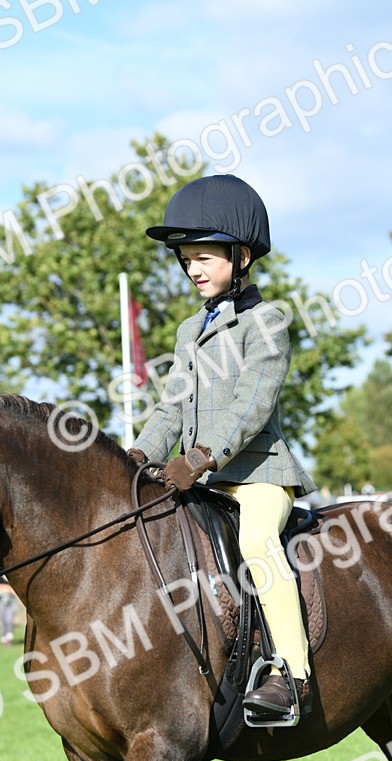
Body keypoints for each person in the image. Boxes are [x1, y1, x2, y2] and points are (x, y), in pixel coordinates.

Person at [131, 175, 318, 719]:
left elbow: (252, 404)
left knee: (258, 542)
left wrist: (202, 456)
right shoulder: (189, 330)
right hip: (202, 479)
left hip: (258, 475)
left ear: (241, 257)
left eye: (204, 258)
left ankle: (293, 675)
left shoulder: (266, 322)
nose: (193, 269)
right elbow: (170, 406)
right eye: (187, 259)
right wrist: (137, 457)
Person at [0, 576, 20, 646]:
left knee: (9, 620)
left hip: (11, 600)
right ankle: (3, 637)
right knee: (3, 620)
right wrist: (7, 588)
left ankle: (9, 638)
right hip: (1, 601)